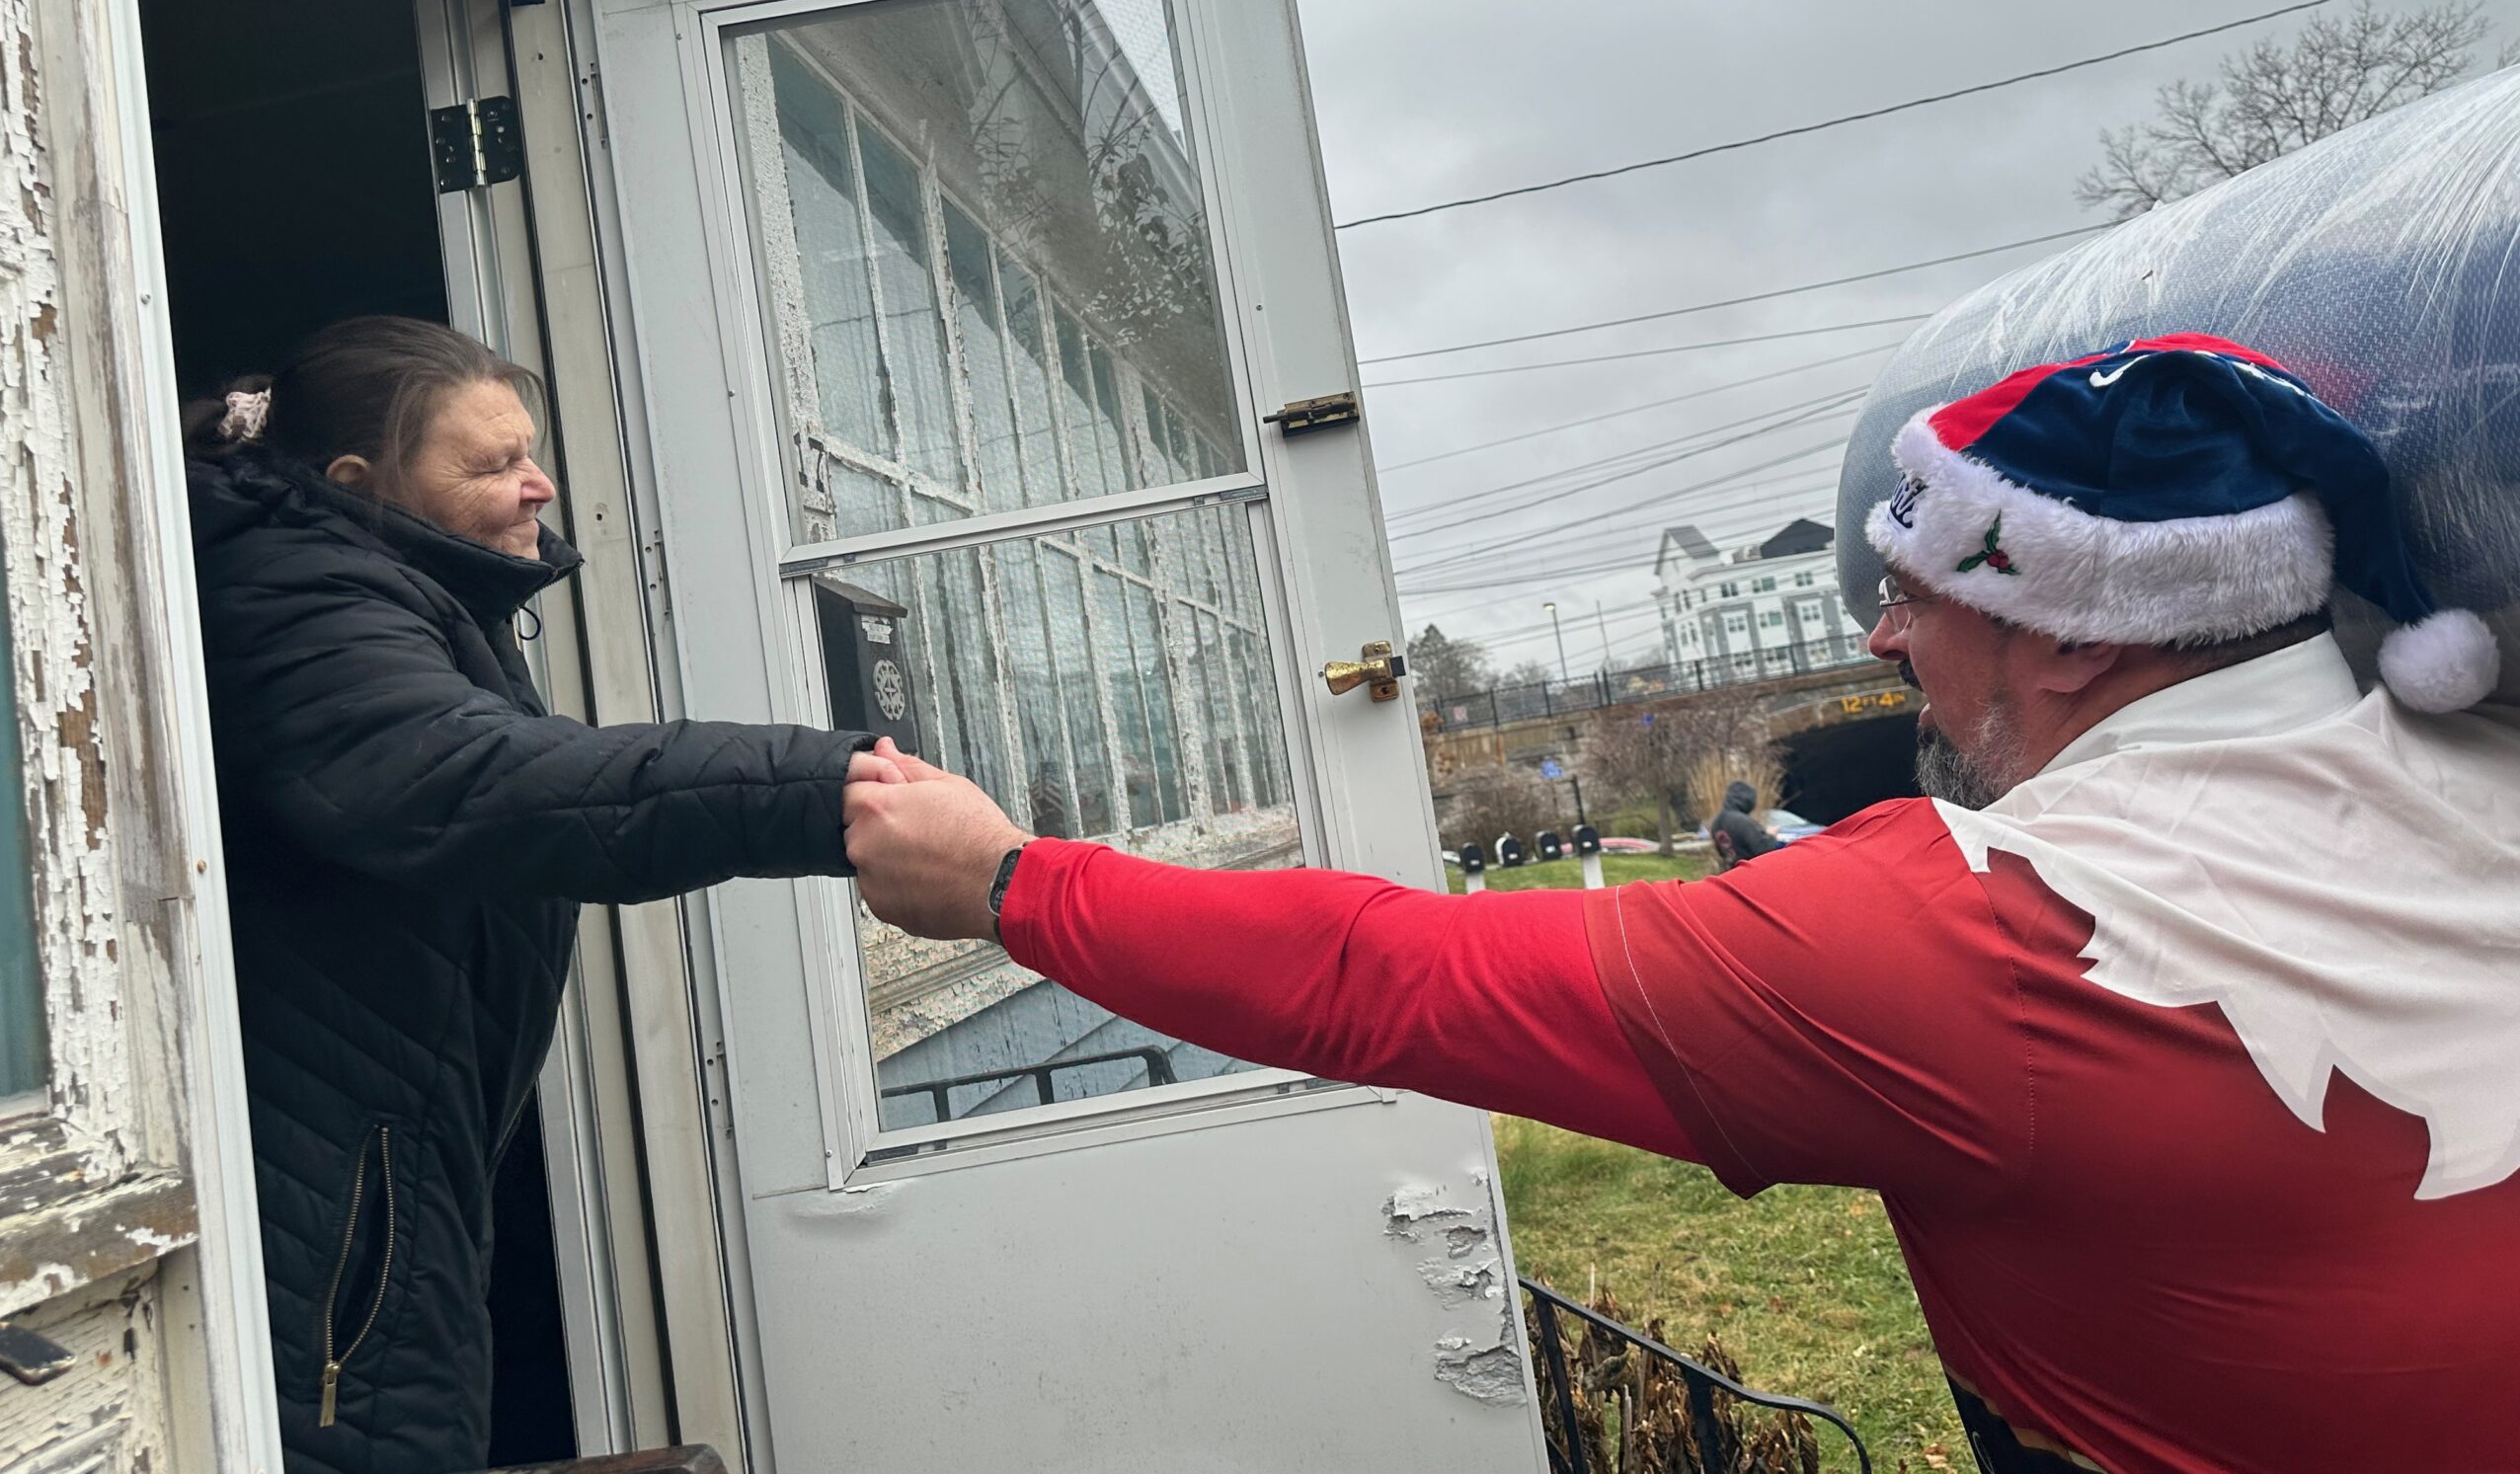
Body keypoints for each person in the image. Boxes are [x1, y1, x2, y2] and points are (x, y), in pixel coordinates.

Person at [844, 336, 2520, 1474]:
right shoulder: (2488, 770)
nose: (1879, 640)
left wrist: (1007, 882)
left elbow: (1380, 976)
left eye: (1920, 587)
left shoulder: (1974, 942)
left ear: (2081, 631)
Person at [185, 317, 885, 1474]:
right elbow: (469, 780)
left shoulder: (387, 585)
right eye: (491, 464)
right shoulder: (291, 590)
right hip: (325, 1210)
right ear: (361, 482)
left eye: (529, 449)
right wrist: (826, 790)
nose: (539, 483)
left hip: (379, 1171)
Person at [1704, 779, 1775, 871]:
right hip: (1750, 872)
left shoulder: (1716, 822)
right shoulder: (1743, 822)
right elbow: (1763, 849)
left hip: (1732, 871)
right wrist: (1771, 836)